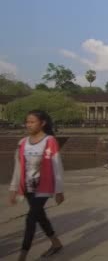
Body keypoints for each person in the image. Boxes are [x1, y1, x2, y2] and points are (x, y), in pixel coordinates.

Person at [9, 110, 64, 261]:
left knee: (31, 218)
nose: (29, 125)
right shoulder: (23, 142)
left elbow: (57, 166)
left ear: (42, 123)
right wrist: (14, 188)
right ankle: (56, 243)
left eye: (32, 122)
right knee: (40, 216)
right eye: (27, 122)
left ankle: (22, 255)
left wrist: (59, 190)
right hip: (27, 187)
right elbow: (18, 167)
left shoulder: (50, 141)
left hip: (44, 187)